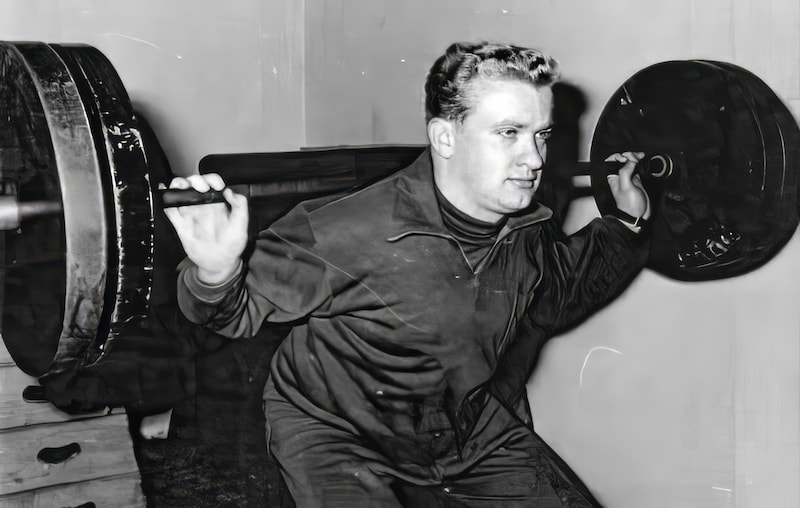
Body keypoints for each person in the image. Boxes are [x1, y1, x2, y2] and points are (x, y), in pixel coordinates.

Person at [165, 41, 651, 507]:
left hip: (472, 426)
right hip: (342, 432)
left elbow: (559, 291)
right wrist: (216, 270)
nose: (535, 159)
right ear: (445, 137)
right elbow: (230, 315)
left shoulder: (526, 226)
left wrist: (627, 224)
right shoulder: (341, 230)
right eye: (509, 133)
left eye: (540, 133)